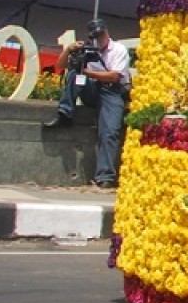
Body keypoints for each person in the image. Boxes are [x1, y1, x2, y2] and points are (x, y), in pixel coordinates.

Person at [42, 19, 131, 189]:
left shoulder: (118, 50)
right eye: (95, 36)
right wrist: (69, 50)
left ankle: (105, 176)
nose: (99, 39)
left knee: (109, 132)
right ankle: (65, 112)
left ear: (106, 33)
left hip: (112, 91)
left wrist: (88, 71)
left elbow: (114, 76)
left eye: (101, 35)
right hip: (91, 89)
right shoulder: (86, 50)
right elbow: (60, 66)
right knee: (74, 75)